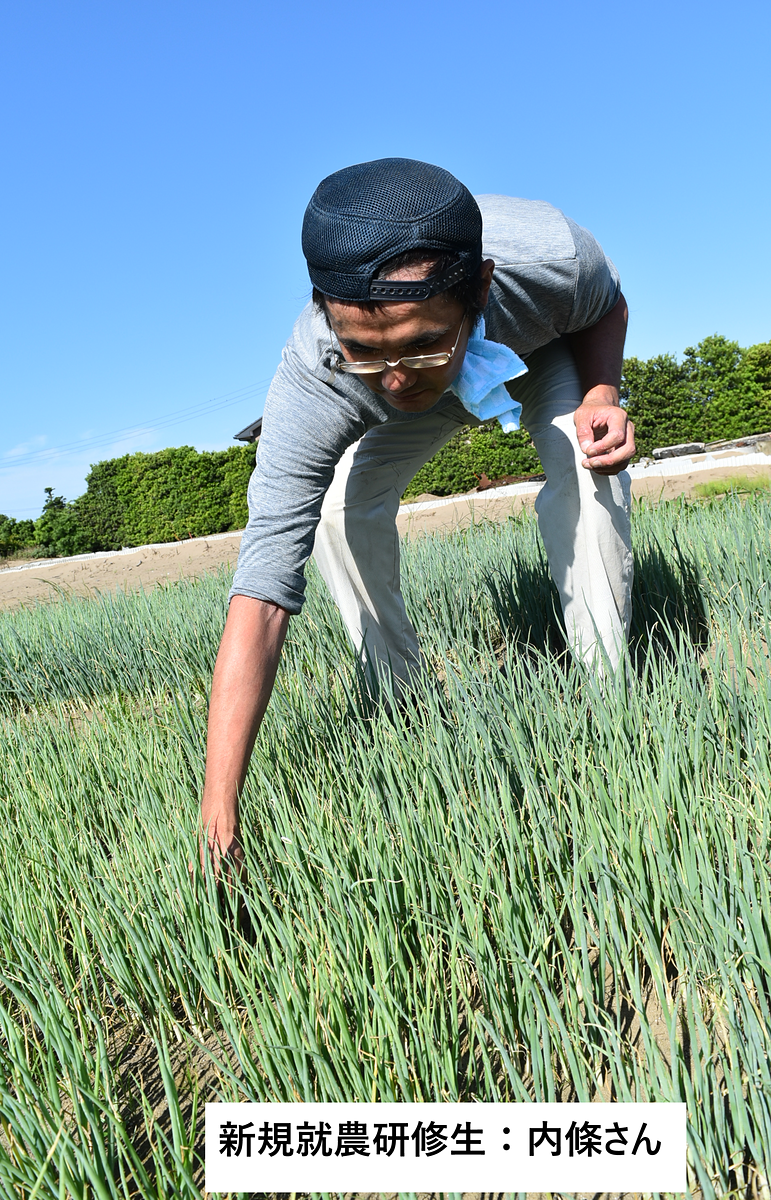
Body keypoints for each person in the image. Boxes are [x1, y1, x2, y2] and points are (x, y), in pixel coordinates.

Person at [201, 158, 635, 873]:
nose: (397, 376)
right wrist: (219, 819)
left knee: (591, 471)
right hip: (431, 370)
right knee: (339, 512)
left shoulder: (553, 256)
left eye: (421, 344)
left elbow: (607, 307)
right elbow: (262, 596)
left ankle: (607, 702)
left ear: (482, 288)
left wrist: (600, 394)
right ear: (323, 308)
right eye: (366, 349)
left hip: (538, 348)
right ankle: (403, 701)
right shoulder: (318, 375)